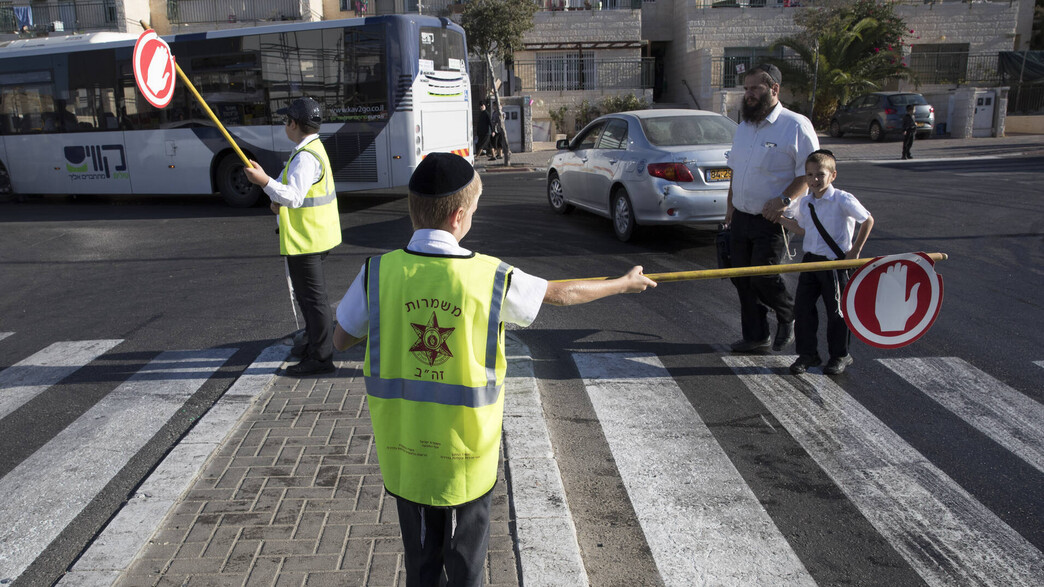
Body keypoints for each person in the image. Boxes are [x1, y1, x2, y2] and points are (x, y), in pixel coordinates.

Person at [331, 152, 655, 586]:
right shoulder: (490, 277)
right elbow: (560, 295)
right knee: (467, 568)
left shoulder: (377, 273)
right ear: (459, 216)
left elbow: (340, 338)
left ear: (414, 210)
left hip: (406, 457)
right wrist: (623, 283)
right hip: (467, 457)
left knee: (421, 566)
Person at [725, 62, 819, 353]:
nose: (749, 94)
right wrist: (730, 209)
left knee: (763, 276)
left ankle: (787, 313)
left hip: (773, 219)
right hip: (741, 215)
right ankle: (756, 336)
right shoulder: (744, 127)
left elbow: (810, 173)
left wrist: (784, 200)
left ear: (774, 89)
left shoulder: (795, 125)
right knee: (740, 277)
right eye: (746, 89)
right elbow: (735, 171)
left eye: (755, 88)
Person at [244, 97, 342, 376]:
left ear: (294, 124)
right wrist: (277, 200)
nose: (284, 125)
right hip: (313, 235)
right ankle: (314, 342)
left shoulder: (306, 157)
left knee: (313, 300)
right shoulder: (312, 148)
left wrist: (264, 181)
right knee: (309, 298)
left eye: (286, 120)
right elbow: (296, 196)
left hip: (307, 238)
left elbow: (295, 197)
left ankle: (321, 358)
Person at [777, 150, 874, 376]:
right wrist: (781, 219)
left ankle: (840, 355)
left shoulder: (842, 199)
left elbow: (867, 220)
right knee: (803, 309)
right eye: (809, 175)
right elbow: (803, 230)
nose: (814, 180)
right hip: (810, 263)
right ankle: (808, 353)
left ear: (833, 175)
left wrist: (856, 251)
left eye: (820, 174)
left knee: (837, 311)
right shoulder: (806, 202)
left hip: (834, 263)